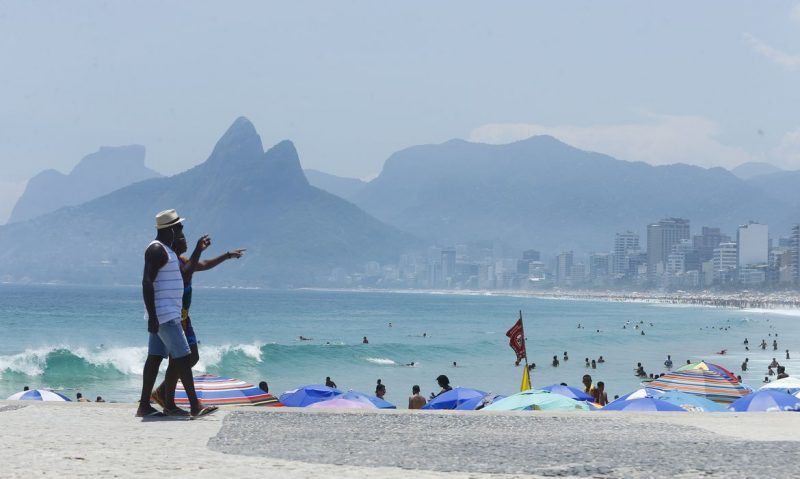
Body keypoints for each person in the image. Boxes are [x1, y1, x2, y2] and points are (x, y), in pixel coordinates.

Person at [150, 224, 245, 409]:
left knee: (191, 357)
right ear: (174, 243)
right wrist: (198, 249)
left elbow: (203, 264)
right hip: (173, 316)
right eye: (182, 238)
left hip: (184, 318)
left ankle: (162, 393)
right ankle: (169, 401)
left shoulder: (183, 260)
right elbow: (186, 274)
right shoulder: (172, 264)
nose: (185, 240)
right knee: (180, 358)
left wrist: (227, 255)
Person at [136, 210, 216, 418]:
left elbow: (185, 272)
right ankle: (195, 406)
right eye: (179, 227)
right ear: (170, 229)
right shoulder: (156, 249)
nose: (181, 230)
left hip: (166, 314)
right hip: (164, 315)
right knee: (184, 356)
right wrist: (153, 316)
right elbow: (146, 282)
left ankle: (145, 406)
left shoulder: (168, 251)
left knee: (155, 358)